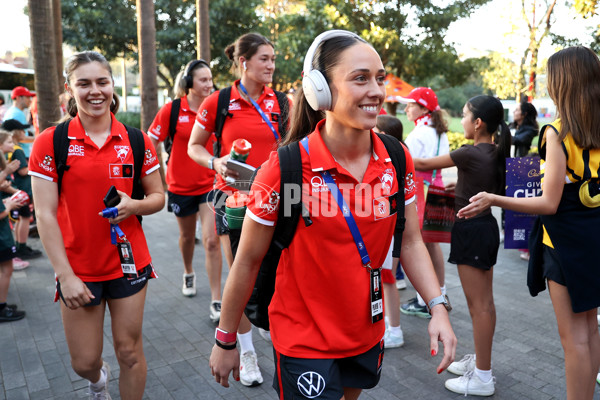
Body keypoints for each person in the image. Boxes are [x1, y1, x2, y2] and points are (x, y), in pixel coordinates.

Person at [208, 30, 456, 399]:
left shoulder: (396, 158)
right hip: (302, 337)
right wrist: (227, 341)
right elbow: (247, 261)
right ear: (319, 89)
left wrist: (438, 307)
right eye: (360, 78)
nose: (376, 90)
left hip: (366, 331)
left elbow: (411, 240)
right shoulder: (286, 167)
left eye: (379, 78)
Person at [458, 46, 600, 400]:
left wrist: (493, 199)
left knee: (575, 340)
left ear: (562, 82)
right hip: (594, 238)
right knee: (591, 332)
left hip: (564, 244)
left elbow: (549, 203)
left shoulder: (557, 132)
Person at [28, 51, 164, 400]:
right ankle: (97, 380)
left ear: (112, 84)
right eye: (84, 83)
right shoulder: (50, 142)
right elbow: (43, 214)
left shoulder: (136, 140)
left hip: (128, 263)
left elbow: (158, 197)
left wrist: (133, 205)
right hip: (78, 268)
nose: (95, 91)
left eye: (102, 81)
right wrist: (65, 274)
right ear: (69, 89)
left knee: (130, 352)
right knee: (84, 361)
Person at [188, 32, 290, 387]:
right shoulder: (218, 101)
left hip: (277, 198)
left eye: (273, 60)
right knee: (241, 277)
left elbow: (298, 145)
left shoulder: (283, 102)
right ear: (243, 61)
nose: (271, 66)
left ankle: (268, 325)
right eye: (264, 59)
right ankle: (245, 351)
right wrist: (216, 162)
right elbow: (193, 147)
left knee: (278, 273)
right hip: (232, 198)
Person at [411, 94, 511, 396]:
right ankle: (481, 363)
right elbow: (490, 186)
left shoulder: (468, 153)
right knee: (484, 305)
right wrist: (461, 187)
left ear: (478, 123)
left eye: (465, 115)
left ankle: (482, 376)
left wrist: (385, 143)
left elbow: (422, 163)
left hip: (472, 231)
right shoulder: (495, 151)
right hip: (485, 229)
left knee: (479, 307)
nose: (462, 120)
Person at [148, 60, 223, 316]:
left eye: (210, 79)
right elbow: (151, 140)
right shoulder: (171, 110)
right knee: (188, 237)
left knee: (212, 241)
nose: (208, 84)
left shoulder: (216, 107)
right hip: (180, 185)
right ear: (188, 83)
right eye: (203, 80)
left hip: (210, 184)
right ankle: (188, 271)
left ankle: (216, 299)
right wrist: (153, 173)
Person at [398, 87, 450, 319]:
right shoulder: (440, 131)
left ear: (422, 108)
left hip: (420, 191)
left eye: (411, 104)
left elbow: (407, 164)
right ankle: (441, 294)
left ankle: (424, 300)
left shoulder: (418, 133)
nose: (407, 108)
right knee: (432, 244)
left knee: (418, 245)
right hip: (439, 188)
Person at [374, 114, 405, 348]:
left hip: (390, 228)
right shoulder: (393, 153)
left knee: (387, 278)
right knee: (385, 279)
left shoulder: (393, 156)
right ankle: (389, 325)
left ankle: (394, 329)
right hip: (386, 227)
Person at [2, 119, 42, 260]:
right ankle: (22, 246)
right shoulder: (17, 150)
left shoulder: (10, 150)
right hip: (21, 189)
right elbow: (23, 171)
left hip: (15, 188)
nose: (24, 132)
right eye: (21, 130)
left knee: (20, 219)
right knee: (24, 218)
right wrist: (37, 165)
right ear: (15, 133)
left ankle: (20, 245)